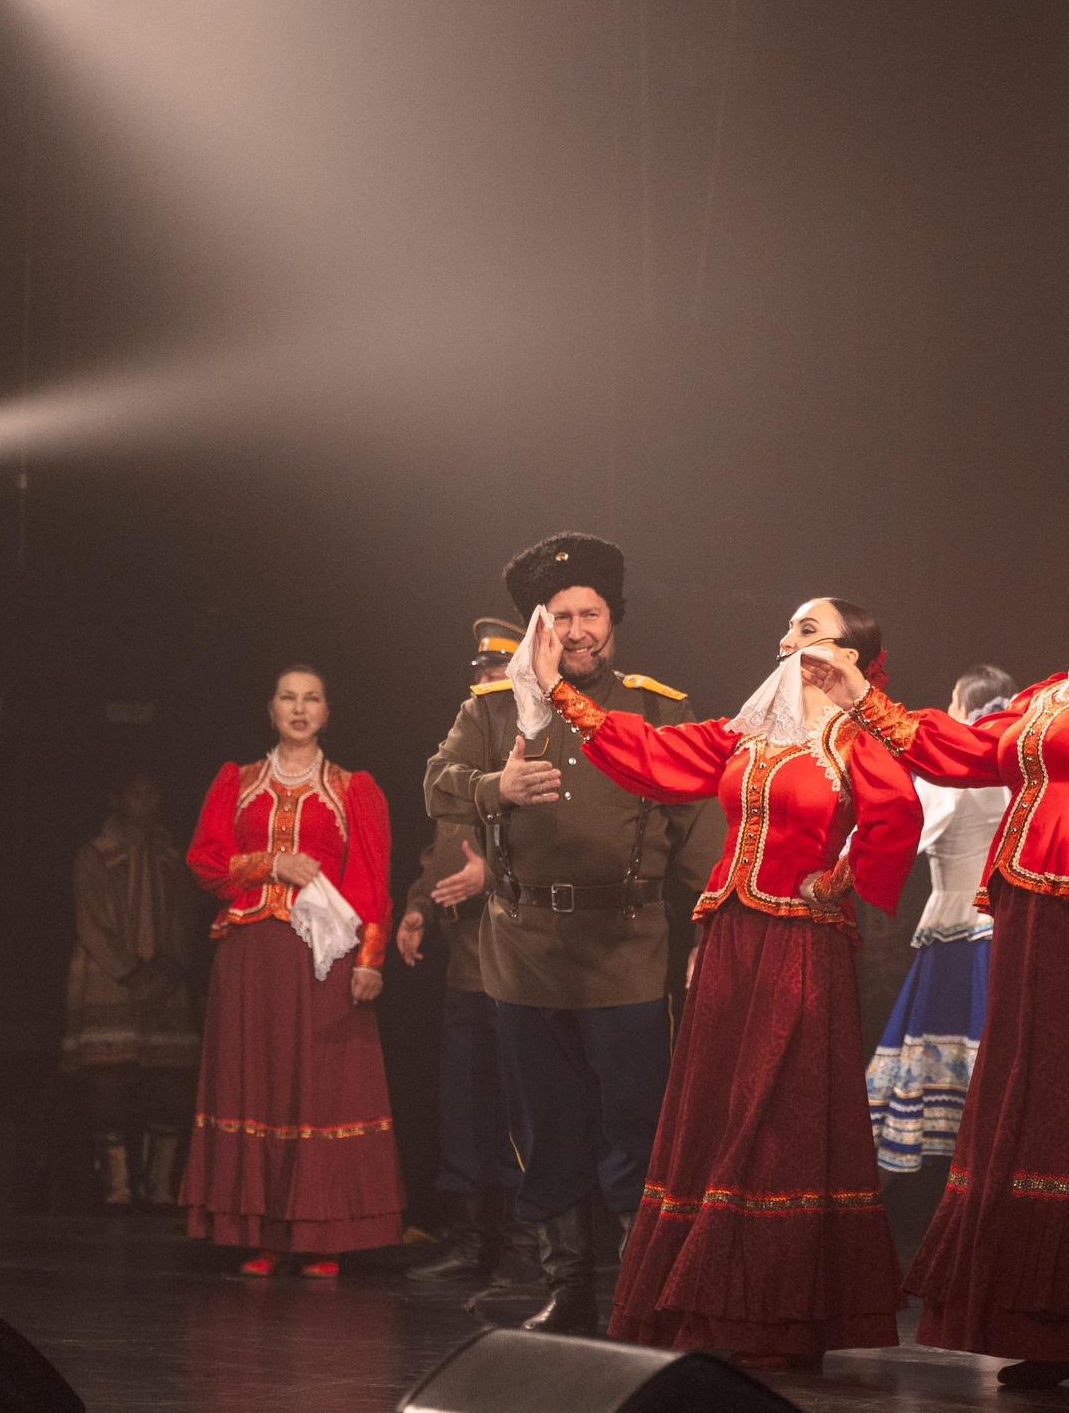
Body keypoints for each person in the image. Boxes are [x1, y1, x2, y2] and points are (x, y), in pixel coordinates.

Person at [804, 537, 1069, 1393]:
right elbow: (965, 753)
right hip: (1040, 915)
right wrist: (860, 697)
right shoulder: (1057, 690)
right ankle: (1046, 1326)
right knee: (1037, 1114)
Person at [543, 596, 921, 1367]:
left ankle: (776, 1313)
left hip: (799, 942)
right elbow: (651, 754)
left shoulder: (855, 735)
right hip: (730, 939)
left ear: (849, 653)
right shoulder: (748, 732)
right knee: (718, 1107)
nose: (788, 639)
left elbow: (899, 812)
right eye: (786, 626)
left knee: (775, 1113)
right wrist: (559, 691)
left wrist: (843, 873)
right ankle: (705, 1300)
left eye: (808, 629)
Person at [424, 535, 723, 1332]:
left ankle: (638, 1284)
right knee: (546, 1124)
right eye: (562, 617)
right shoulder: (490, 711)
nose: (578, 628)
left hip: (626, 947)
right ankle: (569, 1288)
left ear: (613, 621)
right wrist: (498, 786)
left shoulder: (659, 708)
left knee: (635, 1122)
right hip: (524, 948)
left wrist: (709, 934)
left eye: (591, 613)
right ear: (539, 629)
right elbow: (437, 783)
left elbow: (700, 827)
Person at [183, 666, 404, 1275]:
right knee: (258, 1083)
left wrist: (370, 958)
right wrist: (269, 863)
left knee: (318, 1087)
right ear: (271, 708)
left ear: (327, 712)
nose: (300, 709)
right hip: (250, 955)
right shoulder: (240, 781)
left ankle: (321, 1237)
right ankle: (262, 1233)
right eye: (288, 697)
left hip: (321, 958)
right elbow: (205, 861)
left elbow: (368, 878)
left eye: (312, 699)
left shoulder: (350, 787)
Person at [407, 618, 530, 1287]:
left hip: (519, 963)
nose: (488, 681)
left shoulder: (536, 749)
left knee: (515, 1106)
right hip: (465, 962)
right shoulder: (461, 757)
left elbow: (568, 846)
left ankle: (517, 1242)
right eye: (481, 672)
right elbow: (442, 848)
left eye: (500, 672)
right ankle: (468, 1236)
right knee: (463, 1103)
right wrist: (418, 910)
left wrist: (494, 875)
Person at [866, 664, 1013, 1174]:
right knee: (995, 1054)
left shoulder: (951, 764)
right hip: (1004, 931)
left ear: (961, 707)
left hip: (959, 932)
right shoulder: (1014, 761)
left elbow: (905, 829)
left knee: (954, 1056)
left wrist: (844, 862)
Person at [60, 771, 201, 1207]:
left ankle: (160, 1186)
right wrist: (130, 972)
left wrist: (169, 967)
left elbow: (186, 919)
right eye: (137, 792)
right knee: (109, 1083)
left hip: (165, 984)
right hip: (109, 983)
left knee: (171, 1086)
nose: (147, 801)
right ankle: (117, 1187)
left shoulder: (174, 859)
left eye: (154, 792)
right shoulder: (94, 856)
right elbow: (91, 924)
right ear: (117, 797)